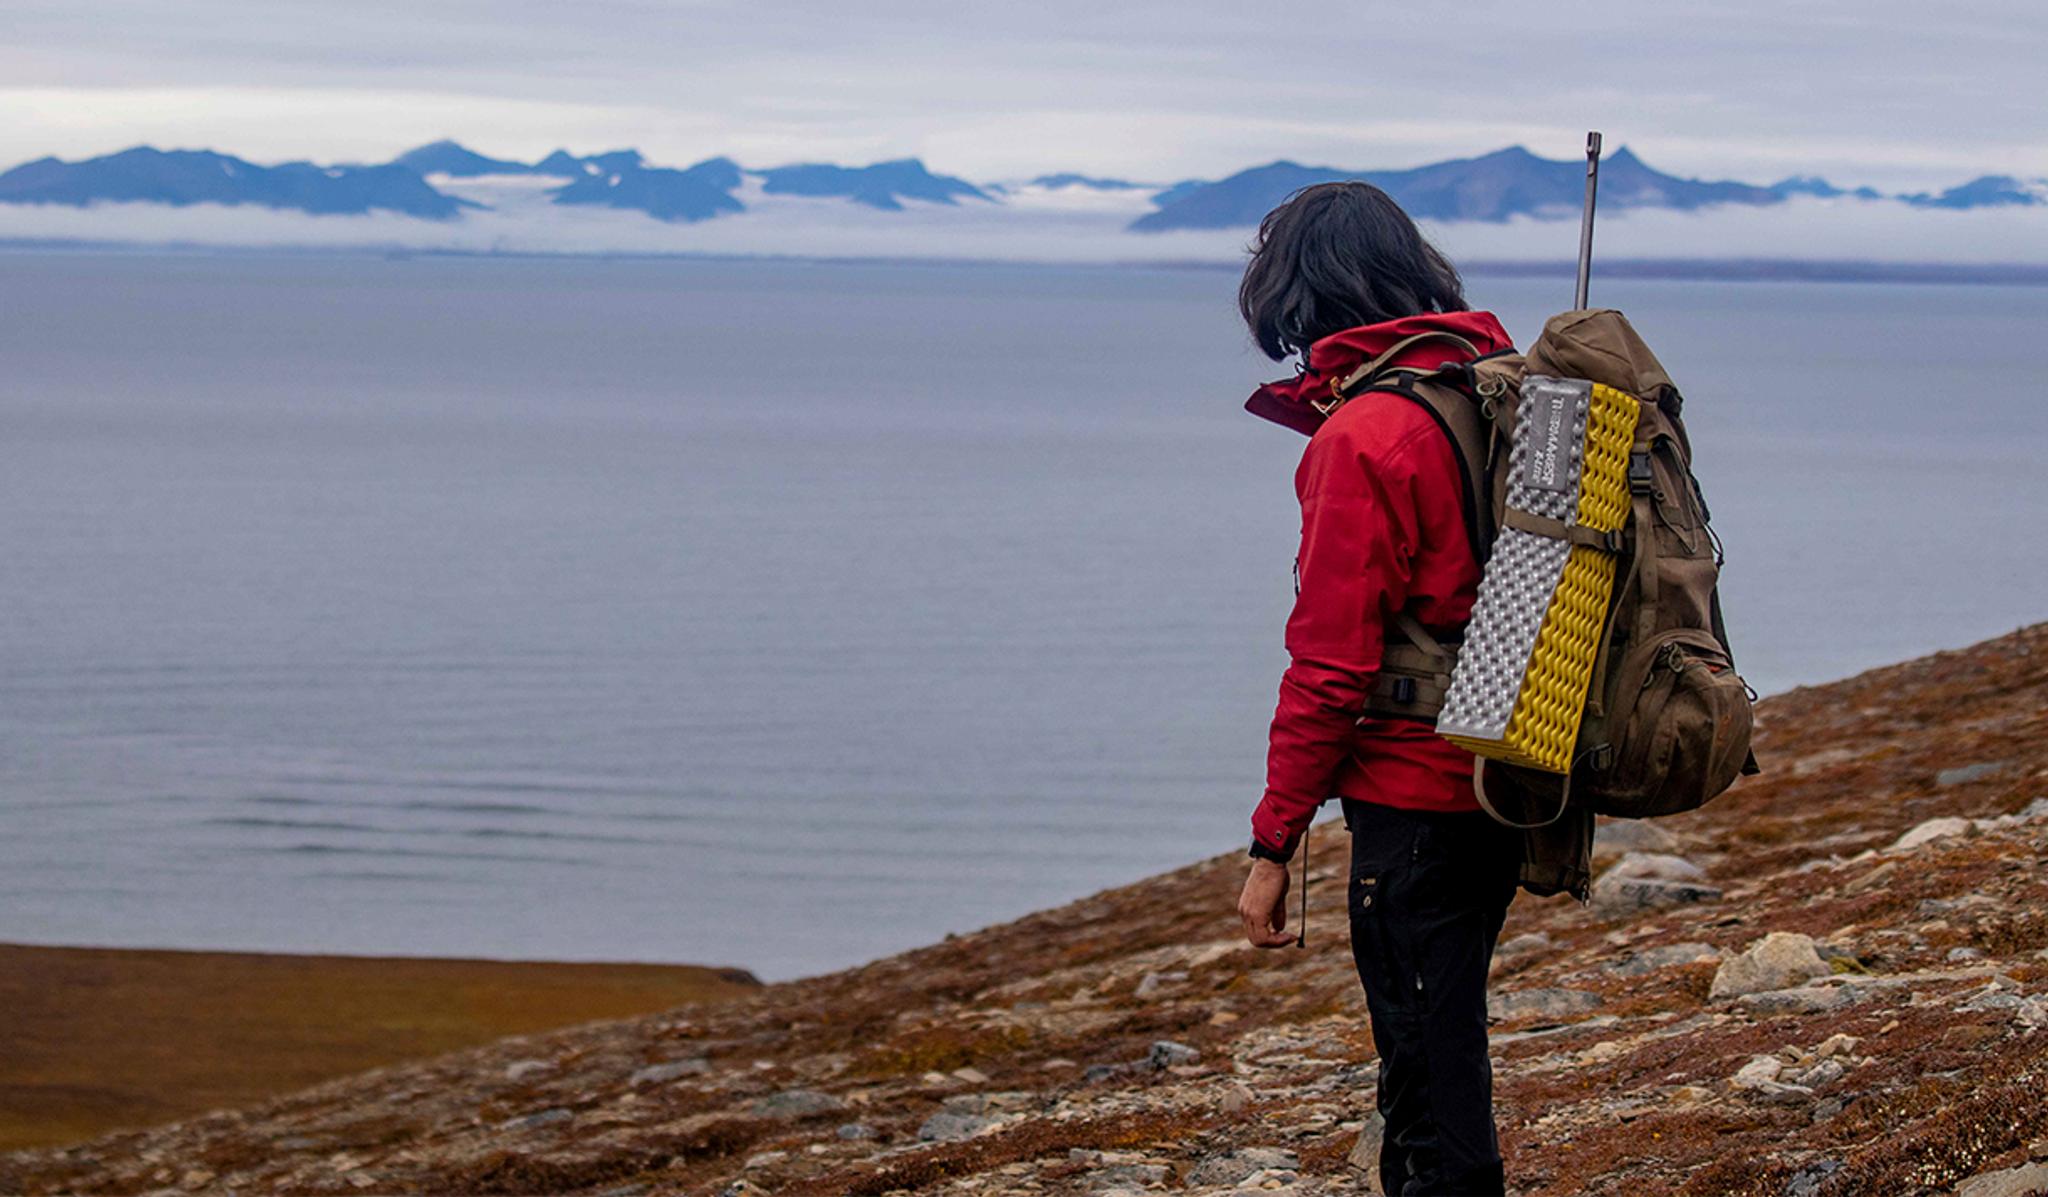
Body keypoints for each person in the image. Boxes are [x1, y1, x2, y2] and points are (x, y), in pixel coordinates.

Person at [1231, 181, 1523, 1197]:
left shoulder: (1365, 435)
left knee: (1429, 1084)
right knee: (1435, 1056)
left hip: (1414, 799)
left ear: (1296, 293)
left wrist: (1273, 843)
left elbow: (1330, 667)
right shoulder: (1492, 386)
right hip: (1507, 771)